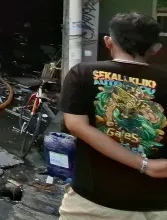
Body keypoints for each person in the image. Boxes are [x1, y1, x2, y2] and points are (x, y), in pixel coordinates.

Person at [59, 12, 167, 218]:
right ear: (155, 49)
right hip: (157, 205)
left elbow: (76, 125)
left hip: (92, 203)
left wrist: (145, 166)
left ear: (108, 42)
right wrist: (148, 166)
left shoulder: (81, 74)